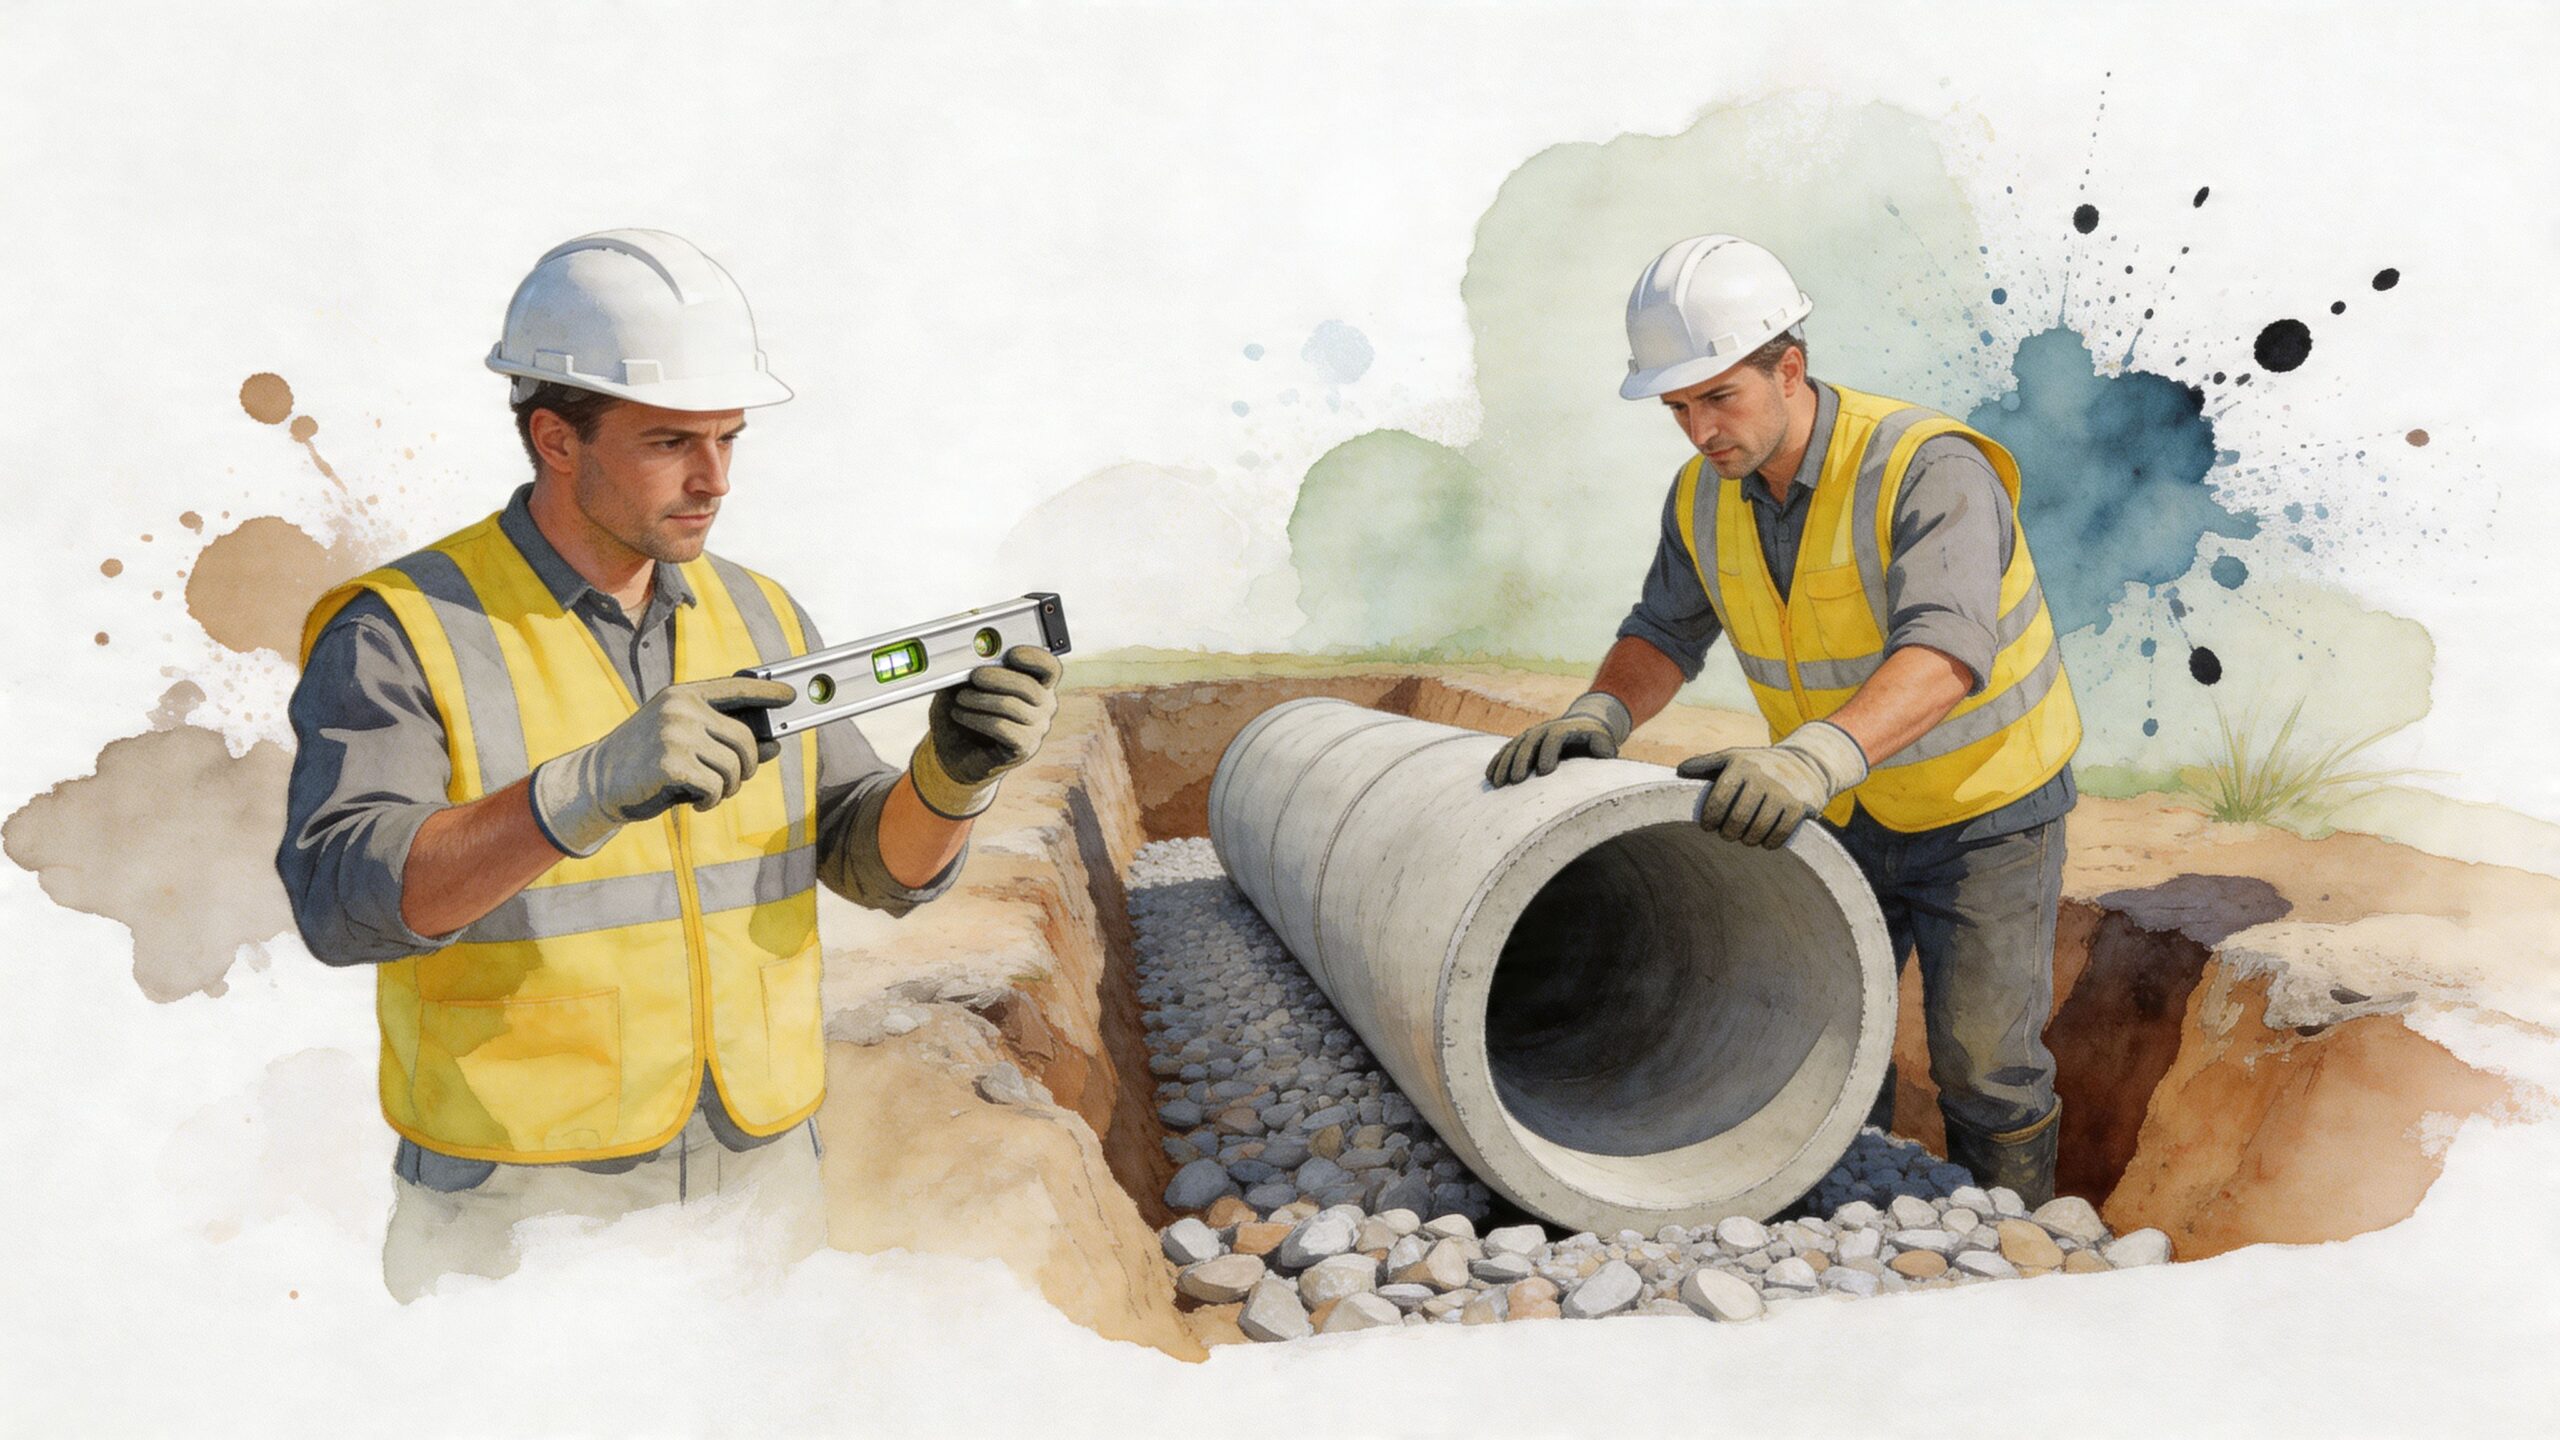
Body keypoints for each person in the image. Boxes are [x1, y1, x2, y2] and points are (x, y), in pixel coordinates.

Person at [275, 229, 1065, 1298]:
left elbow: (870, 863)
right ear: (556, 439)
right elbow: (339, 900)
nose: (714, 479)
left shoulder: (760, 611)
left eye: (729, 440)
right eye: (668, 443)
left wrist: (953, 779)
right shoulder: (404, 630)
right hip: (523, 1204)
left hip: (761, 1170)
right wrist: (581, 792)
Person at [1485, 234, 2081, 1205]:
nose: (1698, 429)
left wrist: (1810, 761)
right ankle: (1854, 1216)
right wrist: (1604, 710)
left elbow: (1947, 652)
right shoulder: (1705, 498)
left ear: (1788, 367)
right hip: (1843, 809)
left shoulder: (1924, 468)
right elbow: (1662, 631)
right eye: (1678, 407)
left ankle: (2009, 1243)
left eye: (1717, 397)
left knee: (1983, 1063)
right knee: (1831, 1037)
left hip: (1983, 810)